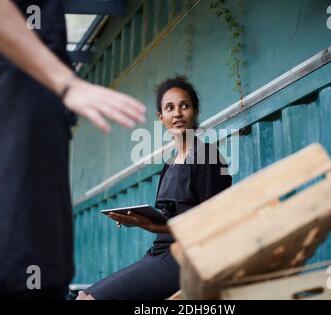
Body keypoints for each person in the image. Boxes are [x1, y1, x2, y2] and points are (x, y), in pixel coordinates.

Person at [0, 0, 146, 300]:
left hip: (32, 98)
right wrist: (68, 84)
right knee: (14, 266)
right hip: (8, 89)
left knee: (45, 266)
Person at [77, 76, 232, 300]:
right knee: (83, 296)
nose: (177, 113)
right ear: (161, 118)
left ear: (195, 111)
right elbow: (167, 217)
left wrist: (151, 226)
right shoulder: (169, 165)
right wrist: (138, 219)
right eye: (170, 108)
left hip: (188, 258)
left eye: (184, 106)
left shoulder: (208, 157)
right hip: (159, 253)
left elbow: (213, 227)